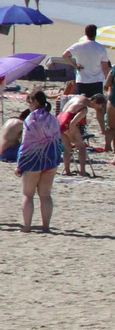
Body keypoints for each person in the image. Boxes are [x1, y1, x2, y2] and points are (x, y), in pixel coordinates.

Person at [16, 90, 62, 232]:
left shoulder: (31, 119)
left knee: (28, 194)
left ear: (35, 101)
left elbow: (25, 144)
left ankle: (27, 227)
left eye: (29, 102)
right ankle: (46, 226)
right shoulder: (52, 118)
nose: (28, 106)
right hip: (51, 159)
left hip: (33, 160)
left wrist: (19, 164)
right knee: (46, 195)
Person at [63, 25, 111, 138]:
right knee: (99, 107)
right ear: (95, 33)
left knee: (80, 105)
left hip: (82, 80)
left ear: (85, 33)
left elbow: (65, 55)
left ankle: (80, 126)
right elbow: (105, 67)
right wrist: (108, 82)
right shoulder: (101, 48)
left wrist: (75, 65)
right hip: (96, 80)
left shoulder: (79, 45)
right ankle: (102, 129)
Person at [59, 96, 102, 178]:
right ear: (94, 101)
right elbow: (72, 123)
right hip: (68, 121)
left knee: (68, 148)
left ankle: (67, 170)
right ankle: (82, 171)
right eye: (100, 105)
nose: (99, 108)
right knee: (81, 147)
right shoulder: (84, 108)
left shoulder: (79, 97)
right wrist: (72, 137)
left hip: (60, 119)